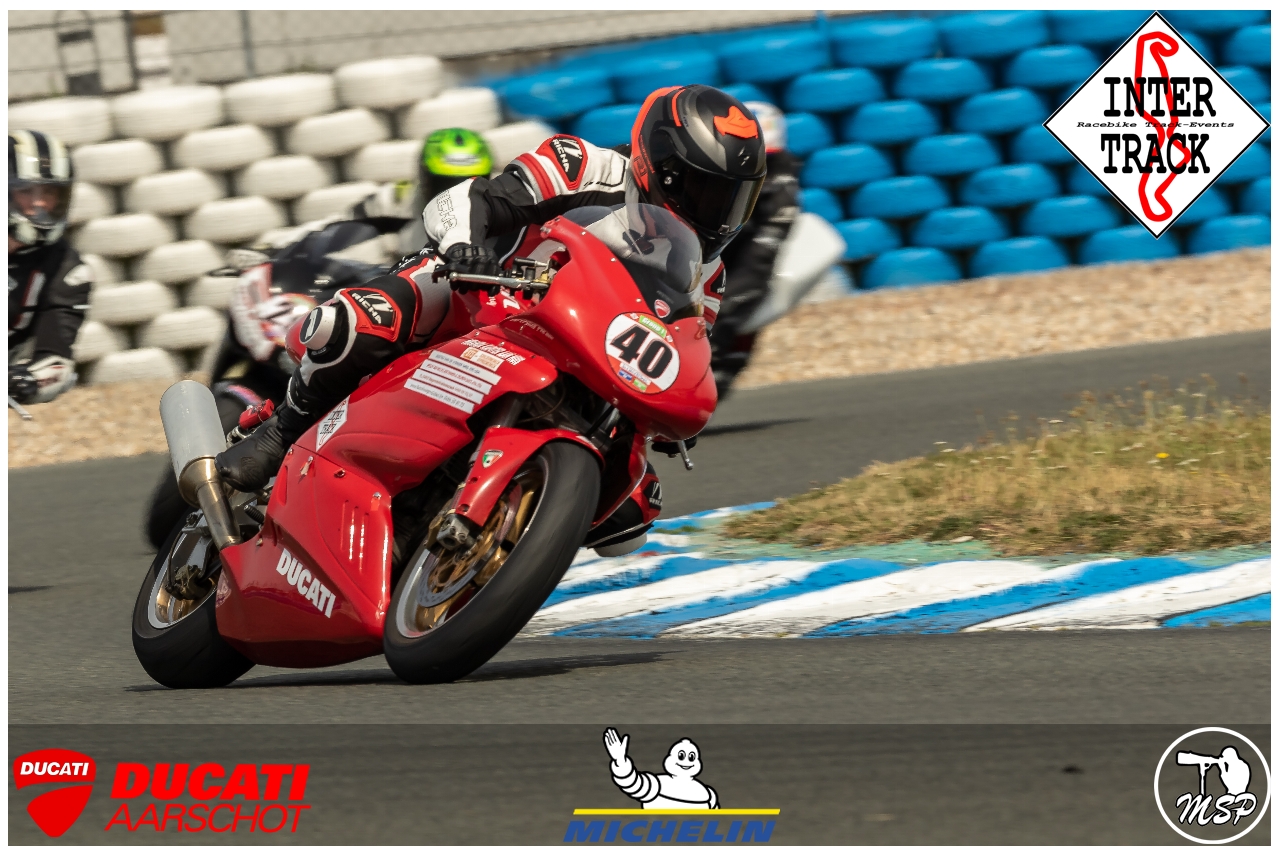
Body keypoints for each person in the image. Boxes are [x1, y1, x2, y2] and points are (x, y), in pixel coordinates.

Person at [216, 85, 767, 524]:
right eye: (703, 192)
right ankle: (281, 431)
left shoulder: (708, 275)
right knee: (357, 322)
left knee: (633, 507)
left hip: (581, 349)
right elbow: (472, 198)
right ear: (658, 165)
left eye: (732, 200)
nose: (716, 215)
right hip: (485, 293)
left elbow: (683, 344)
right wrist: (464, 247)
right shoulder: (583, 165)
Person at [708, 101, 800, 395]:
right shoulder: (708, 171)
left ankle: (712, 363)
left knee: (730, 305)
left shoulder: (781, 176)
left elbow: (772, 233)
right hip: (715, 250)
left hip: (748, 254)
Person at [8, 129, 91, 406]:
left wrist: (26, 380)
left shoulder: (67, 269)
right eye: (25, 191)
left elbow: (57, 365)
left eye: (50, 192)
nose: (40, 203)